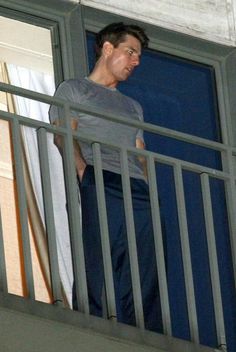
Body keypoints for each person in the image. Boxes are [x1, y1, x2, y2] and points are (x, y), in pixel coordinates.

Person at [49, 22, 163, 333]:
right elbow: (63, 134)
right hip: (100, 177)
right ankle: (92, 323)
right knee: (98, 254)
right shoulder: (74, 89)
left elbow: (140, 150)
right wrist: (84, 171)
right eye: (131, 52)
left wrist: (148, 187)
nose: (135, 61)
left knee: (144, 262)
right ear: (107, 48)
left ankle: (143, 330)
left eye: (138, 56)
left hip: (136, 187)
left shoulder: (133, 106)